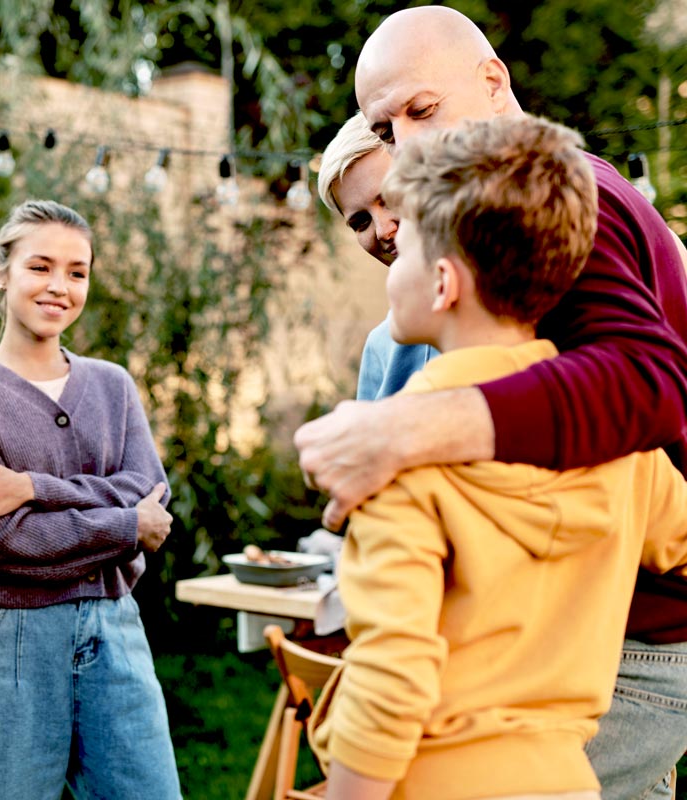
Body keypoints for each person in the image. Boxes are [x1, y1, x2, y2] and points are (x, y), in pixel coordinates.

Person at [294, 8, 687, 797]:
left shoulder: (581, 197)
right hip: (601, 637)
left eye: (422, 109)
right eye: (385, 125)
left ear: (494, 82)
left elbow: (651, 381)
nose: (406, 142)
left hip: (615, 648)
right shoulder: (532, 226)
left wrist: (400, 428)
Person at [0, 200, 181, 800]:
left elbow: (151, 495)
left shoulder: (112, 385)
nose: (59, 287)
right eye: (40, 267)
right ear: (4, 273)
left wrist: (32, 487)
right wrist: (122, 526)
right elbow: (3, 542)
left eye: (77, 271)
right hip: (8, 646)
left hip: (115, 633)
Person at [317, 112, 436, 401]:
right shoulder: (381, 348)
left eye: (393, 197)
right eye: (361, 223)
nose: (383, 231)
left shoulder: (531, 296)